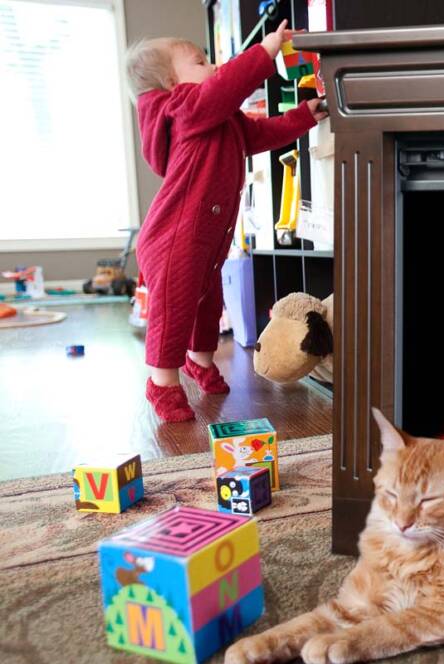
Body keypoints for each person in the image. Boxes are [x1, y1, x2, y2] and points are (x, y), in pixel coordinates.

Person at [126, 20, 327, 422]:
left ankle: (199, 361)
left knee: (207, 303)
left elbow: (262, 133)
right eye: (200, 62)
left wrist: (305, 114)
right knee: (173, 312)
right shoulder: (185, 108)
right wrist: (266, 50)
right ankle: (161, 383)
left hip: (205, 237)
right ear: (171, 83)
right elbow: (223, 89)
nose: (214, 66)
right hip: (173, 238)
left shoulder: (220, 119)